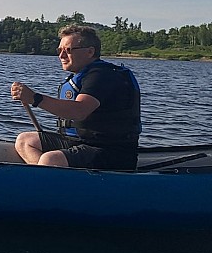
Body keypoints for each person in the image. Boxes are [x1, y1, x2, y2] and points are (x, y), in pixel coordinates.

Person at [11, 24, 141, 170]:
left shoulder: (102, 76)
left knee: (50, 159)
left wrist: (35, 98)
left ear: (90, 52)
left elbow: (79, 111)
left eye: (68, 50)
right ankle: (45, 178)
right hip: (79, 141)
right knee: (25, 141)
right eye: (59, 50)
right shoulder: (84, 76)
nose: (61, 56)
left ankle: (45, 185)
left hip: (110, 151)